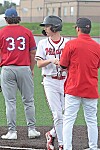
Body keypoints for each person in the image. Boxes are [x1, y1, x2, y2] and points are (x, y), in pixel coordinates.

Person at [60, 17, 100, 150]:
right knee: (92, 120)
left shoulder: (71, 44)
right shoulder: (97, 46)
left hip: (73, 88)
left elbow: (63, 65)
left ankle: (67, 147)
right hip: (91, 89)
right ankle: (93, 147)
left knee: (68, 120)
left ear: (78, 29)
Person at [0, 8, 40, 140]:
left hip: (7, 69)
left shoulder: (2, 32)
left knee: (10, 102)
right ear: (18, 18)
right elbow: (33, 52)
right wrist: (31, 68)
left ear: (6, 19)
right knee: (28, 101)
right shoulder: (27, 32)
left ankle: (12, 132)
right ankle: (32, 129)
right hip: (24, 68)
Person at [35, 15, 69, 150]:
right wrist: (50, 60)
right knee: (57, 114)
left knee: (67, 114)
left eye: (47, 26)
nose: (45, 29)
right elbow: (38, 64)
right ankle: (61, 144)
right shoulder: (43, 43)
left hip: (66, 80)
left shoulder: (67, 43)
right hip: (50, 81)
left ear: (55, 27)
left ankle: (51, 134)